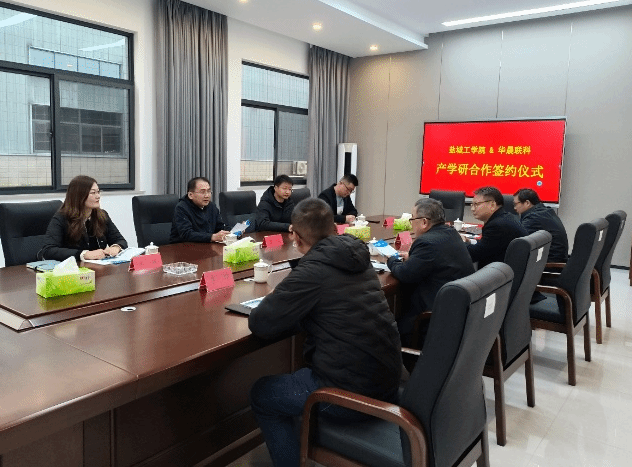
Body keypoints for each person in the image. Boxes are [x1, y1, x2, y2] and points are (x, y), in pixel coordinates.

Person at [248, 198, 402, 467]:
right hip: (389, 381)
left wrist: (277, 295)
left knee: (262, 394)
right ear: (334, 228)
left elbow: (261, 323)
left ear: (295, 236)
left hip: (349, 394)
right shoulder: (358, 256)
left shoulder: (312, 270)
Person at [387, 198, 474, 346]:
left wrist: (392, 260)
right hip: (456, 313)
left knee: (385, 327)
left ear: (424, 222)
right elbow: (437, 259)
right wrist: (414, 258)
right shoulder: (451, 233)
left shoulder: (426, 242)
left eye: (412, 219)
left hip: (430, 319)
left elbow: (405, 274)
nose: (411, 223)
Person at [39, 175, 127, 261]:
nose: (98, 196)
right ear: (79, 196)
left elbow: (120, 240)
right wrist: (84, 254)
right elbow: (48, 250)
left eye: (98, 192)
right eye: (93, 193)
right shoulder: (61, 218)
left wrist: (116, 247)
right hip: (74, 268)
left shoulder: (102, 215)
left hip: (100, 267)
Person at [463, 186, 527, 268]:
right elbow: (487, 245)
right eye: (472, 205)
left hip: (499, 272)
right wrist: (470, 241)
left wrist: (460, 241)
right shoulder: (506, 217)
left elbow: (473, 255)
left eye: (476, 204)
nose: (472, 209)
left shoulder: (497, 226)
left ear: (492, 205)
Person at [514, 188, 569, 263]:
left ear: (527, 203)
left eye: (516, 204)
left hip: (550, 263)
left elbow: (517, 240)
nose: (514, 208)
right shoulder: (544, 212)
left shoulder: (533, 218)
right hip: (556, 259)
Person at [170, 177, 230, 243]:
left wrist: (233, 231)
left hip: (206, 245)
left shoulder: (212, 206)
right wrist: (212, 237)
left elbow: (220, 227)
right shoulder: (181, 208)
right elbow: (187, 234)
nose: (207, 195)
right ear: (190, 195)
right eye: (202, 192)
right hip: (183, 246)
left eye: (209, 191)